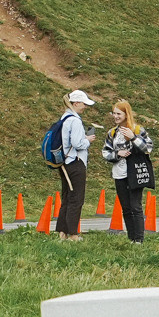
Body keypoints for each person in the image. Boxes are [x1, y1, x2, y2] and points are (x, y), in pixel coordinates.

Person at [101, 99, 155, 243]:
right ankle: (131, 238)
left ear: (126, 114)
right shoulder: (112, 133)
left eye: (119, 113)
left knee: (135, 206)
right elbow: (105, 152)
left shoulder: (137, 130)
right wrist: (117, 155)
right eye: (114, 113)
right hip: (119, 173)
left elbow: (148, 148)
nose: (116, 116)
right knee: (125, 207)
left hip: (135, 173)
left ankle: (139, 240)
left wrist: (133, 138)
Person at [51, 89, 96, 238]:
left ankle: (62, 231)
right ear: (76, 103)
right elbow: (78, 144)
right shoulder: (75, 121)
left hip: (64, 163)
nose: (85, 107)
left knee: (67, 197)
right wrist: (87, 141)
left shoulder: (64, 118)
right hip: (75, 162)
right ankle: (72, 234)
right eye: (84, 104)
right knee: (76, 199)